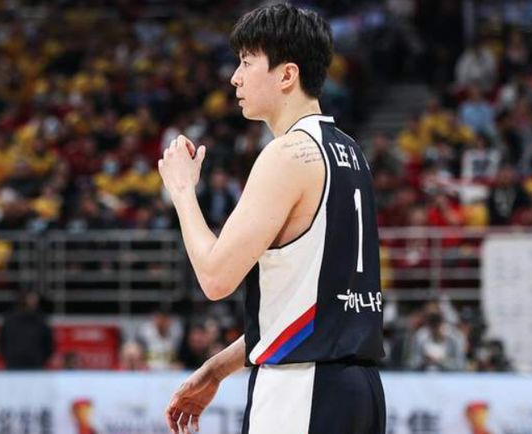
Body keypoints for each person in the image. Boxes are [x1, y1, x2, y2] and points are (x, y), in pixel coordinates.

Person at [159, 4, 385, 434]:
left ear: (287, 75)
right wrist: (217, 369)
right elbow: (309, 309)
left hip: (301, 389)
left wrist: (182, 190)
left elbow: (215, 278)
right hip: (360, 390)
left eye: (247, 62)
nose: (235, 78)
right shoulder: (350, 151)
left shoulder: (287, 154)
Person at [0, 290, 53, 370]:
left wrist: (41, 359)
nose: (34, 302)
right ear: (23, 300)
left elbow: (48, 343)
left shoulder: (41, 320)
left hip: (35, 365)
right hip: (14, 364)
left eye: (35, 300)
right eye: (31, 299)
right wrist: (8, 357)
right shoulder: (10, 319)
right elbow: (2, 342)